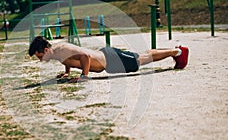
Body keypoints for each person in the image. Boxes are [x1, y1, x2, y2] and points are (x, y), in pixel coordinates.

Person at [28, 36, 189, 82]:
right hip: (108, 59)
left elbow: (85, 56)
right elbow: (72, 58)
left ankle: (177, 52)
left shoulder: (61, 50)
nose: (41, 60)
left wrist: (84, 76)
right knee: (142, 55)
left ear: (46, 50)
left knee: (143, 58)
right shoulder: (57, 51)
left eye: (40, 56)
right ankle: (176, 52)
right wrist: (67, 72)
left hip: (110, 60)